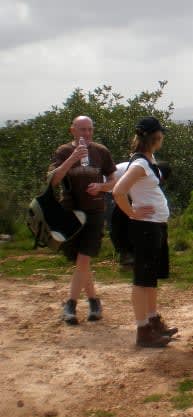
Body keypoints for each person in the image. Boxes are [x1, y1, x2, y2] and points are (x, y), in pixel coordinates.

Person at [112, 117, 177, 348]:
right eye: (161, 134)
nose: (163, 137)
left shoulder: (149, 159)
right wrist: (132, 213)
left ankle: (152, 320)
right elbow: (119, 191)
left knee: (150, 279)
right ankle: (143, 330)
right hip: (146, 228)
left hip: (156, 225)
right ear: (155, 137)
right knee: (142, 280)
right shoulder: (140, 164)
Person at [50, 115, 117, 324]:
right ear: (73, 131)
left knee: (84, 258)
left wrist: (101, 187)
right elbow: (53, 180)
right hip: (70, 211)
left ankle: (70, 304)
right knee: (80, 260)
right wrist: (72, 158)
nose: (86, 134)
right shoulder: (63, 151)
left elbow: (114, 181)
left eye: (89, 129)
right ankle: (94, 300)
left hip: (95, 211)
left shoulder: (101, 151)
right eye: (82, 130)